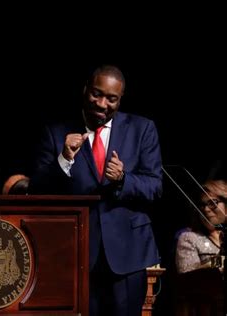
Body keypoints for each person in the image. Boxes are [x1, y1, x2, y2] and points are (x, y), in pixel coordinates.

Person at [28, 65, 163, 316]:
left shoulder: (142, 129)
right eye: (96, 94)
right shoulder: (56, 132)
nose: (102, 103)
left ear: (120, 99)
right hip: (75, 253)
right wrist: (63, 160)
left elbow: (155, 186)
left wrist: (123, 179)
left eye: (111, 98)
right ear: (85, 90)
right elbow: (37, 189)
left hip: (127, 253)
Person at [175, 179, 226, 273]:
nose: (206, 209)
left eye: (212, 203)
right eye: (202, 205)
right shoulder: (189, 238)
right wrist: (218, 262)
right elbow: (187, 277)